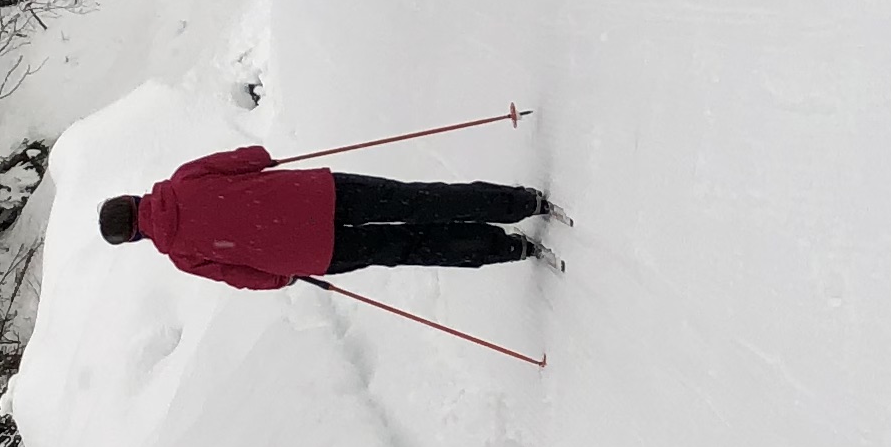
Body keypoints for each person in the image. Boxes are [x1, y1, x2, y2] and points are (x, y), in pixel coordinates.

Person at [99, 145, 556, 289]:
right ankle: (519, 203)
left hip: (316, 252)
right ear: (132, 198)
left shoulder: (181, 256)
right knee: (418, 200)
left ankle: (511, 248)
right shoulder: (185, 178)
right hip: (321, 194)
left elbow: (242, 277)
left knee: (409, 247)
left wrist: (283, 279)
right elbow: (254, 157)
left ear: (134, 237)